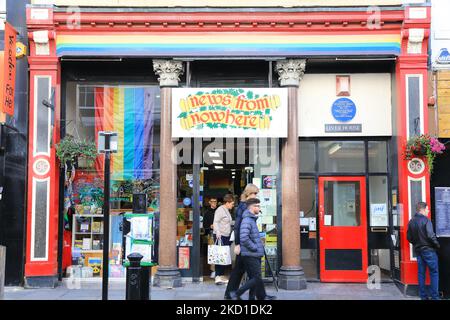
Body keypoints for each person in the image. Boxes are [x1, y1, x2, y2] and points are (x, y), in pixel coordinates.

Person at [229, 198, 276, 300]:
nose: (259, 208)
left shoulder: (251, 219)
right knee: (256, 278)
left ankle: (253, 298)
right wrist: (254, 247)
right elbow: (244, 238)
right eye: (258, 206)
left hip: (253, 253)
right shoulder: (247, 220)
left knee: (254, 277)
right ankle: (236, 293)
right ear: (252, 207)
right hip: (251, 254)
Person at [224, 184, 259, 300]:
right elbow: (238, 227)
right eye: (254, 193)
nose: (255, 196)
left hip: (246, 244)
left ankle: (230, 294)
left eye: (256, 194)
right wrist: (238, 244)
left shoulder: (247, 206)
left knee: (240, 271)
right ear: (248, 194)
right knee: (251, 273)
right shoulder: (243, 207)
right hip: (245, 245)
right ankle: (233, 294)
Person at [407, 201, 441, 300]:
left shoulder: (411, 221)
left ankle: (423, 296)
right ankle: (435, 297)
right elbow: (431, 235)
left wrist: (416, 244)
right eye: (427, 209)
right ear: (422, 209)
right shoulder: (426, 220)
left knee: (421, 273)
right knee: (434, 272)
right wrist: (437, 245)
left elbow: (409, 237)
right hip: (429, 250)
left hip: (418, 250)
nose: (428, 211)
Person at [213, 194, 235, 285]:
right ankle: (218, 276)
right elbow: (215, 222)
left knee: (223, 256)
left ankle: (220, 275)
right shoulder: (220, 210)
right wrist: (217, 232)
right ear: (227, 202)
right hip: (220, 236)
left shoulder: (226, 210)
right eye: (232, 203)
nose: (233, 205)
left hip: (226, 236)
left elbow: (228, 222)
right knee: (220, 256)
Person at [202, 197, 218, 278]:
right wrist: (210, 226)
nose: (214, 203)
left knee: (219, 252)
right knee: (212, 253)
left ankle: (219, 270)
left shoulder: (219, 211)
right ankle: (213, 270)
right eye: (212, 201)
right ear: (209, 202)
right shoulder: (207, 213)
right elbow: (204, 225)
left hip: (219, 234)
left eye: (215, 201)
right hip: (211, 234)